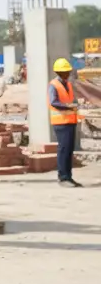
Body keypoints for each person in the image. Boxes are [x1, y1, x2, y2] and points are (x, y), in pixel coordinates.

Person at [49, 57, 81, 188]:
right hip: (60, 122)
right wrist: (69, 106)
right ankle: (63, 177)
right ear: (59, 72)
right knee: (63, 149)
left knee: (69, 150)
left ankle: (69, 176)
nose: (68, 74)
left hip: (70, 121)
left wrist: (74, 104)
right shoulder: (53, 85)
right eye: (66, 71)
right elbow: (53, 102)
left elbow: (70, 100)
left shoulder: (67, 84)